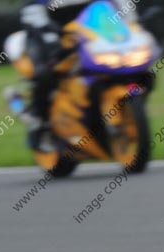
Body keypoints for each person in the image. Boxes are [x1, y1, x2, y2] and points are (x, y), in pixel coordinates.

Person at [19, 0, 137, 150]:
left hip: (88, 33)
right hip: (46, 32)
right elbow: (34, 14)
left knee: (130, 62)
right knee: (45, 72)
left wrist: (132, 25)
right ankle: (39, 125)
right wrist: (51, 37)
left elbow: (119, 6)